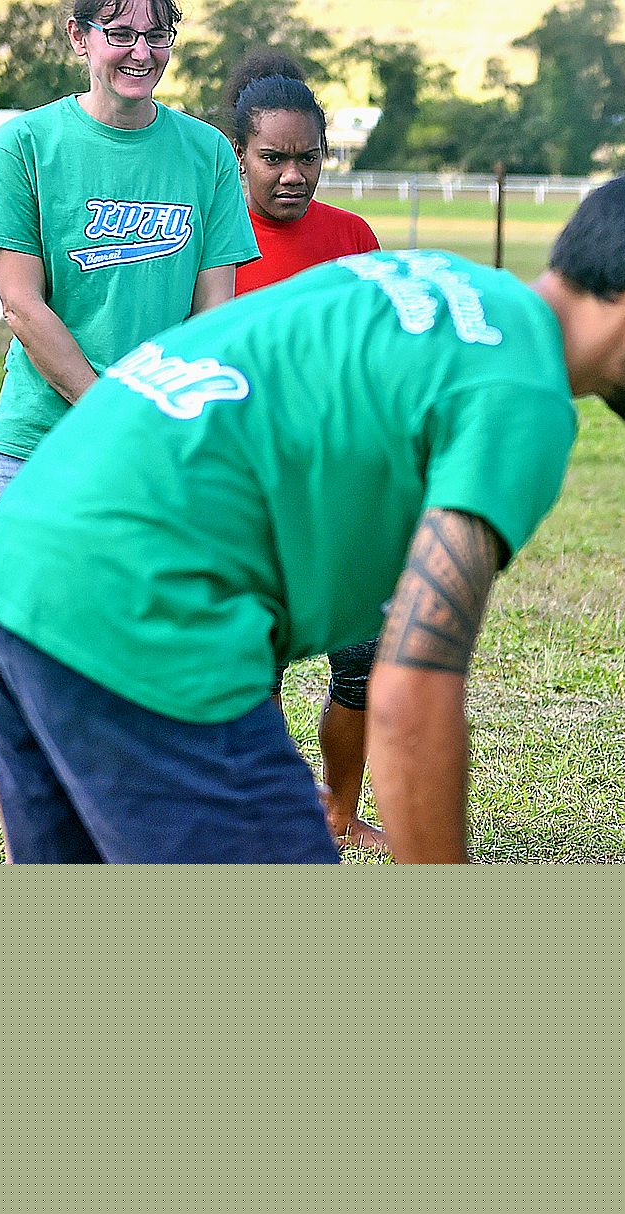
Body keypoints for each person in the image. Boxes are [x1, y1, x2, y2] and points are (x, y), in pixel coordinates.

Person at [0, 171, 625, 863]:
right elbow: (413, 690)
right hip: (141, 606)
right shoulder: (524, 388)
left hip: (18, 568)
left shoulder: (438, 281)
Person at [0, 0, 256, 511]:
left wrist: (166, 418)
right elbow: (21, 304)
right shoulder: (24, 145)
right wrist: (110, 414)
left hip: (163, 442)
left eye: (157, 34)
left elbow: (214, 315)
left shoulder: (208, 151)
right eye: (120, 33)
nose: (141, 53)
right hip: (43, 444)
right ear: (79, 36)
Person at [223, 50, 385, 851]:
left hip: (341, 488)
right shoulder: (211, 235)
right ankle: (266, 813)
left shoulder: (353, 237)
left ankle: (338, 814)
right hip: (246, 489)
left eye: (309, 157)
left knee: (362, 661)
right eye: (274, 158)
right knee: (256, 666)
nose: (294, 175)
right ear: (238, 154)